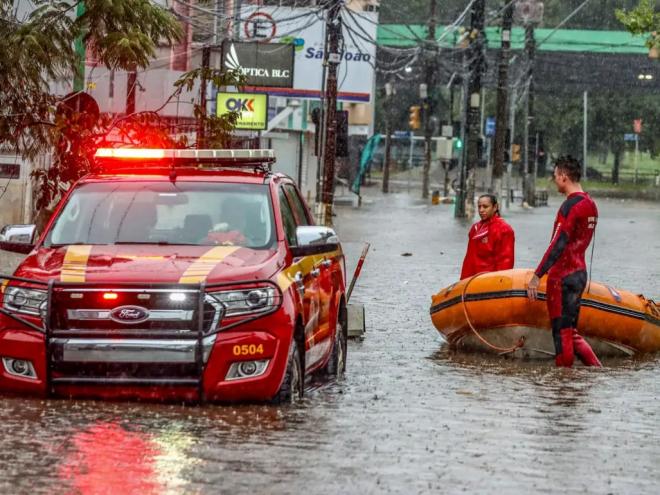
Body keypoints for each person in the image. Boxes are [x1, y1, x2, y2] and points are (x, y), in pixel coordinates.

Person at [527, 156, 602, 368]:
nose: (554, 180)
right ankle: (597, 372)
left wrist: (537, 274)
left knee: (561, 333)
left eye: (555, 176)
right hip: (579, 274)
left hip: (562, 276)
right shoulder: (591, 205)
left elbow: (558, 244)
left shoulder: (570, 206)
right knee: (571, 331)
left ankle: (563, 384)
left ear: (563, 176)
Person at [460, 194, 515, 279]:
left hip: (488, 282)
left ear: (495, 207)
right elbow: (469, 259)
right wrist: (463, 281)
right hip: (470, 281)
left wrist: (499, 284)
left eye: (485, 207)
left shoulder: (504, 230)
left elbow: (506, 262)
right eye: (479, 207)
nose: (481, 210)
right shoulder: (475, 228)